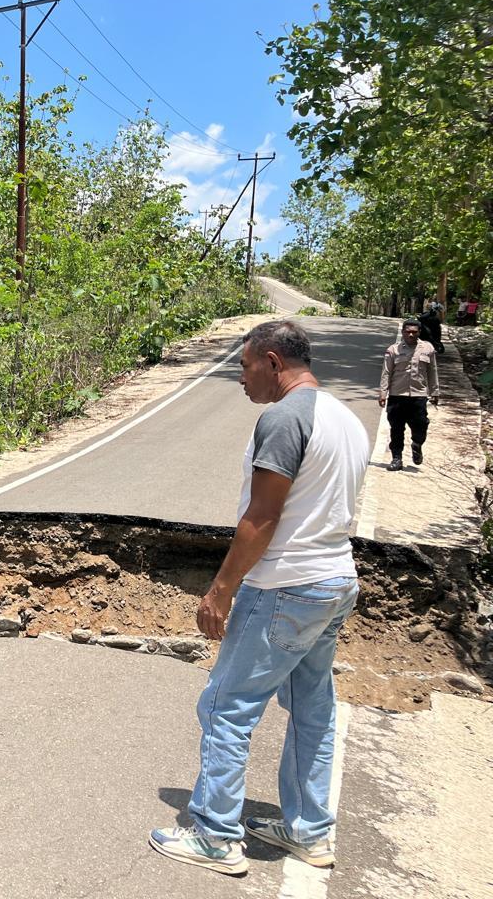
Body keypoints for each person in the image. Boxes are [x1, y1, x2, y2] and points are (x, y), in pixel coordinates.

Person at [150, 320, 369, 877]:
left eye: (244, 366)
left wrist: (221, 588)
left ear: (272, 362)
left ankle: (215, 834)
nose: (240, 378)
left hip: (285, 586)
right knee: (314, 708)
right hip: (334, 580)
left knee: (227, 706)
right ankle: (309, 831)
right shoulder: (346, 417)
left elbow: (263, 516)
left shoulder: (283, 418)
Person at [378, 319, 440, 471]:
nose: (411, 334)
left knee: (421, 425)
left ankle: (417, 444)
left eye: (414, 331)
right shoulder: (393, 350)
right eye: (407, 331)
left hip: (418, 395)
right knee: (396, 428)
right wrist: (383, 393)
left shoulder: (428, 348)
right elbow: (386, 372)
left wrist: (435, 391)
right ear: (402, 332)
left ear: (419, 332)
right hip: (397, 395)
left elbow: (432, 371)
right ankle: (396, 458)